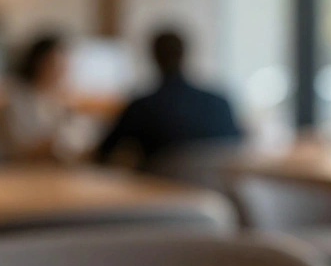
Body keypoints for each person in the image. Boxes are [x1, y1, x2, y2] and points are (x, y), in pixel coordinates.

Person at [96, 29, 242, 167]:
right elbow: (239, 144)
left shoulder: (142, 107)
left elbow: (104, 152)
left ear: (154, 57)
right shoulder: (220, 103)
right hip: (214, 191)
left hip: (158, 189)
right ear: (185, 54)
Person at [3, 35, 78, 162]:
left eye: (63, 62)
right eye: (53, 62)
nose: (60, 68)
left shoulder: (65, 97)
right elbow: (18, 146)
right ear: (38, 62)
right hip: (26, 166)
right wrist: (52, 144)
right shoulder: (18, 97)